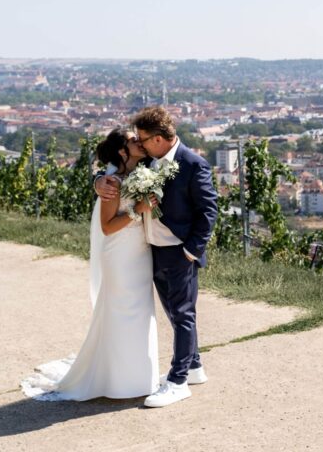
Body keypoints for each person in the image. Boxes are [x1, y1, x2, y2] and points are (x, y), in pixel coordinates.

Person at [21, 129, 159, 401]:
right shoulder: (112, 183)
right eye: (133, 140)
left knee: (142, 312)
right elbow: (107, 227)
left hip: (141, 252)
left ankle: (140, 376)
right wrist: (137, 210)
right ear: (122, 150)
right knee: (120, 312)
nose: (139, 142)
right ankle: (117, 380)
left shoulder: (145, 170)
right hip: (119, 255)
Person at [95, 106, 218, 408]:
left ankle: (178, 382)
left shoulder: (193, 164)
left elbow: (208, 212)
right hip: (151, 250)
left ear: (159, 139)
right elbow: (116, 168)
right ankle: (193, 367)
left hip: (178, 251)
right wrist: (98, 179)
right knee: (174, 313)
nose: (139, 143)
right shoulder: (150, 159)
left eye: (143, 139)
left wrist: (190, 251)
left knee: (183, 314)